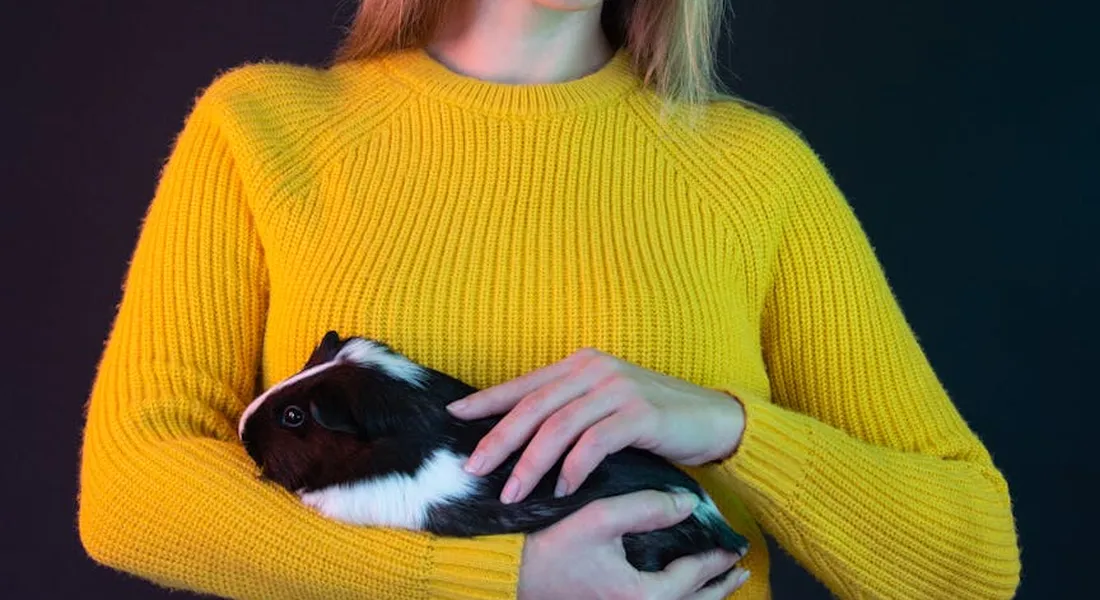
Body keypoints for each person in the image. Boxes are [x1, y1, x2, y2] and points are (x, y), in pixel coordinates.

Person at [76, 0, 1022, 598]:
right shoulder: (264, 130)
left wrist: (734, 429)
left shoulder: (753, 175)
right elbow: (131, 492)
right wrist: (498, 577)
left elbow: (973, 563)